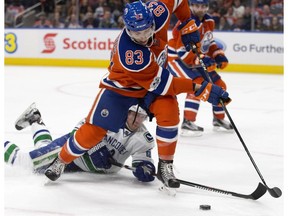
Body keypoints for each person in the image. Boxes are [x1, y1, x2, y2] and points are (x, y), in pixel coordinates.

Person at [44, 0, 231, 189]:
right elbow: (165, 85)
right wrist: (202, 89)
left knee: (170, 114)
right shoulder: (131, 54)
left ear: (152, 21)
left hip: (154, 82)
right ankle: (61, 160)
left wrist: (186, 21)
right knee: (93, 131)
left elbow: (178, 1)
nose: (142, 37)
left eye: (147, 30)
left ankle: (166, 166)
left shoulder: (159, 10)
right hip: (122, 88)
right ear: (127, 28)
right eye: (136, 33)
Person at [4, 103, 156, 183]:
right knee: (23, 163)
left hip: (85, 168)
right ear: (127, 112)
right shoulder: (109, 116)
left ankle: (35, 120)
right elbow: (79, 129)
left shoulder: (143, 138)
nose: (137, 120)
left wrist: (145, 170)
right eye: (133, 115)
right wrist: (93, 146)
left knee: (43, 151)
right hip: (70, 152)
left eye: (141, 116)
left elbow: (144, 162)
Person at [167, 0, 233, 137]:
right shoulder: (184, 23)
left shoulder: (209, 21)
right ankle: (187, 122)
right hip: (176, 59)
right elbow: (182, 51)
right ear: (191, 6)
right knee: (197, 86)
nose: (200, 9)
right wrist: (203, 59)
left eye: (203, 6)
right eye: (197, 5)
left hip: (194, 58)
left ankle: (219, 119)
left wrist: (217, 54)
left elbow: (208, 42)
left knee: (220, 85)